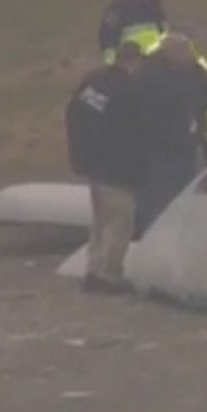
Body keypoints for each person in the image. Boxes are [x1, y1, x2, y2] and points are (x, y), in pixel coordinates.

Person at [65, 41, 146, 293]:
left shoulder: (93, 81)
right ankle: (109, 275)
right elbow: (134, 132)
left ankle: (93, 269)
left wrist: (79, 158)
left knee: (100, 221)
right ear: (135, 62)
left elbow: (73, 115)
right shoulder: (129, 90)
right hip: (117, 169)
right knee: (120, 223)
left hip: (92, 164)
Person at [134, 34, 207, 238]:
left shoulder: (196, 73)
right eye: (182, 51)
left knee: (187, 193)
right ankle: (152, 238)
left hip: (187, 145)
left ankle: (184, 235)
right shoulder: (150, 76)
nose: (188, 55)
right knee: (157, 198)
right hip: (158, 148)